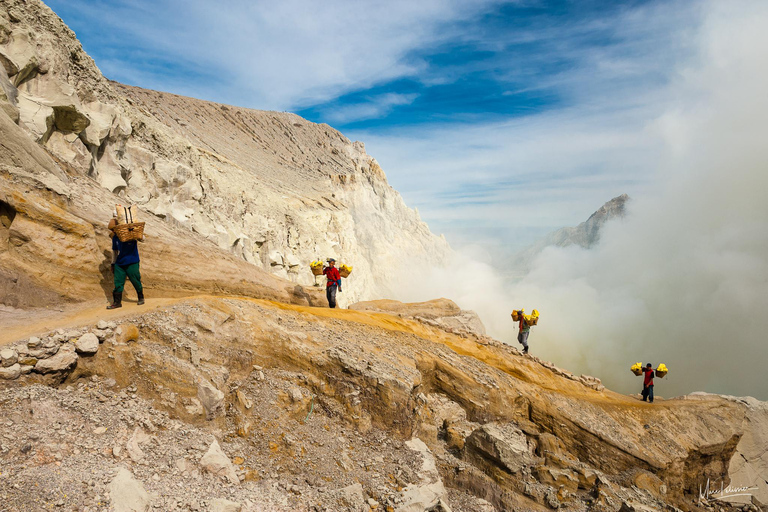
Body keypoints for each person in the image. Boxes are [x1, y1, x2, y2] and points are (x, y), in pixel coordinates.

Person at [107, 215, 144, 309]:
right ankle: (117, 303)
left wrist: (139, 236)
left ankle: (141, 297)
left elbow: (143, 239)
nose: (112, 231)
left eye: (113, 229)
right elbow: (115, 252)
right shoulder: (115, 238)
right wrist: (113, 264)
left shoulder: (130, 234)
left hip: (132, 261)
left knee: (135, 280)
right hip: (120, 263)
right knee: (118, 282)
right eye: (111, 230)